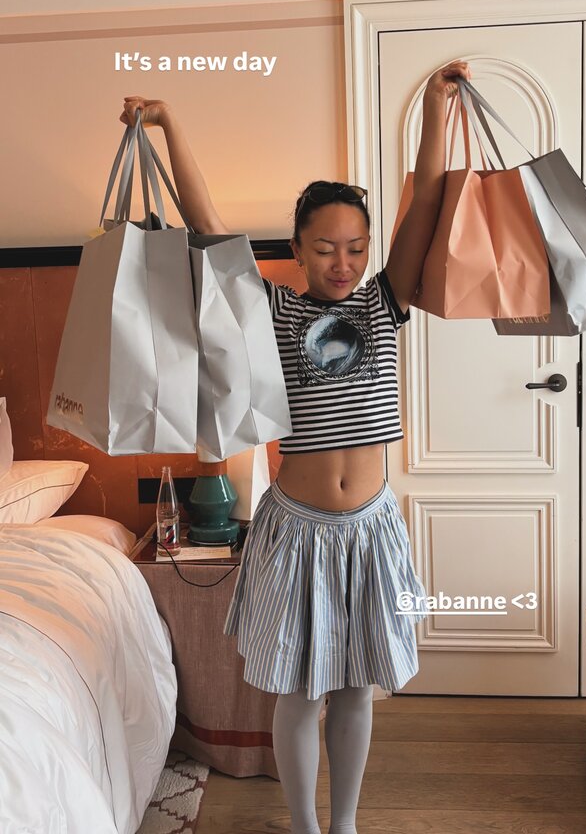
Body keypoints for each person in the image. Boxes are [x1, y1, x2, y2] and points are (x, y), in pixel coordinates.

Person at [120, 58, 472, 834]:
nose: (343, 263)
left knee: (352, 690)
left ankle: (343, 825)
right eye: (325, 248)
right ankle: (306, 827)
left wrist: (435, 109)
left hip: (369, 531)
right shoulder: (275, 313)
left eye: (356, 247)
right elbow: (211, 232)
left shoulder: (384, 302)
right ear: (299, 248)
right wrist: (170, 125)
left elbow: (428, 198)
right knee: (297, 692)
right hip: (297, 533)